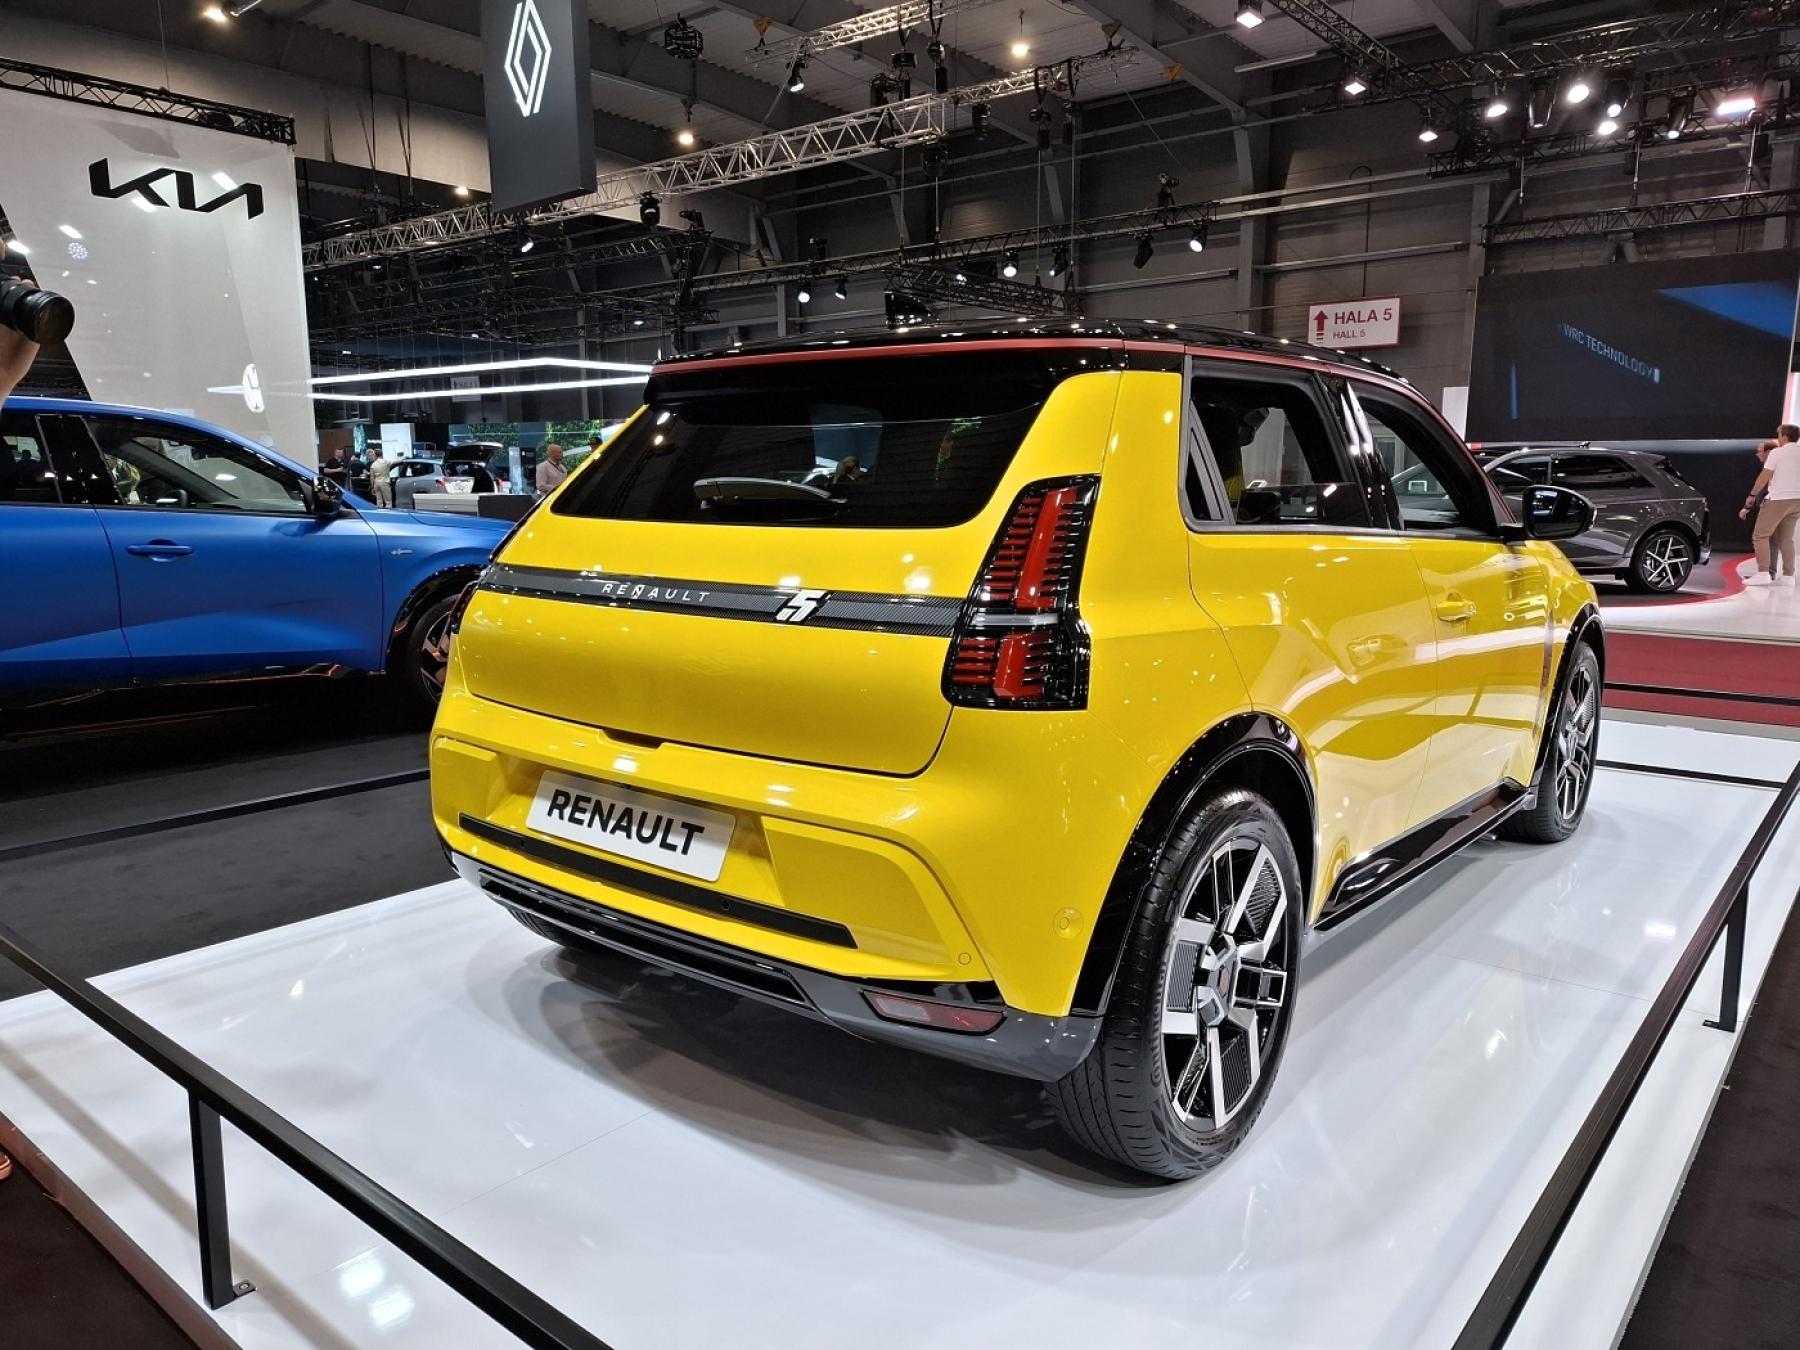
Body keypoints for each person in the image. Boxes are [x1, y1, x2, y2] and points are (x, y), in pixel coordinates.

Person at [1742, 423, 1800, 586]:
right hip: (1797, 500)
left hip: (1778, 499)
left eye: (1779, 435)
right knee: (1786, 539)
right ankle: (1788, 575)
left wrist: (1752, 495)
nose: (1778, 438)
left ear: (1785, 436)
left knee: (1760, 535)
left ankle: (1763, 573)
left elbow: (1764, 477)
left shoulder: (1777, 453)